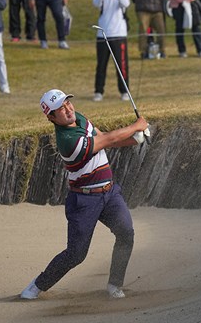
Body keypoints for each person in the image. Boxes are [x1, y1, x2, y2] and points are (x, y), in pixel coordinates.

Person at [20, 89, 149, 300]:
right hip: (84, 200)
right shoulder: (68, 141)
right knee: (76, 254)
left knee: (126, 234)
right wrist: (137, 126)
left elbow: (106, 139)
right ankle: (36, 286)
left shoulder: (78, 118)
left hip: (109, 193)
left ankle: (114, 284)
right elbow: (106, 140)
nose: (68, 109)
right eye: (60, 109)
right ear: (51, 117)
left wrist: (135, 139)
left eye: (67, 103)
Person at [92, 0, 131, 102]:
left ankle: (124, 91)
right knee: (101, 64)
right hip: (103, 34)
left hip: (119, 33)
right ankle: (98, 91)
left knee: (122, 64)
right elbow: (96, 4)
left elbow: (126, 4)